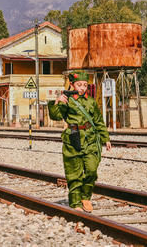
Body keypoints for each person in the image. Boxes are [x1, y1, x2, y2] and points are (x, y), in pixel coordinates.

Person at [48, 70, 111, 212]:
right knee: (74, 173)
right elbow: (56, 116)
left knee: (91, 169)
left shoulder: (90, 102)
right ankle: (75, 202)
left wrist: (105, 138)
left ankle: (85, 196)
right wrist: (56, 102)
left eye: (85, 85)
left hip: (90, 138)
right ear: (72, 85)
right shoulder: (66, 100)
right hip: (73, 138)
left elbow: (99, 121)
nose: (82, 88)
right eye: (79, 85)